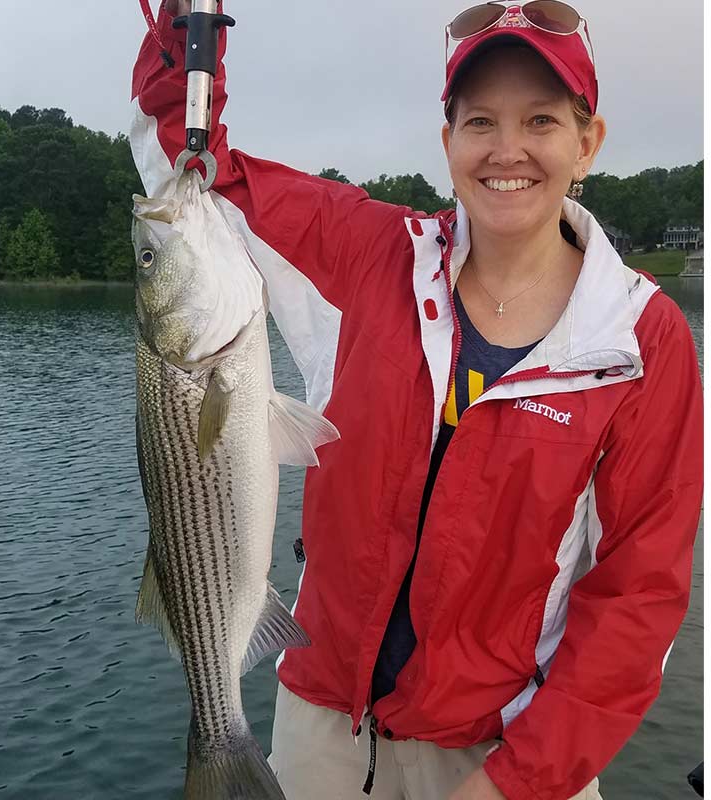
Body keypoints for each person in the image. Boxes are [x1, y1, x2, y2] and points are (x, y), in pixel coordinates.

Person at [130, 2, 703, 798]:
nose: (508, 150)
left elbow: (640, 596)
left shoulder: (643, 339)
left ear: (587, 144)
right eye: (479, 122)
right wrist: (179, 44)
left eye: (540, 120)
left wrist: (518, 781)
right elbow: (200, 174)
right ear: (447, 144)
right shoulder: (373, 253)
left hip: (508, 745)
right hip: (325, 721)